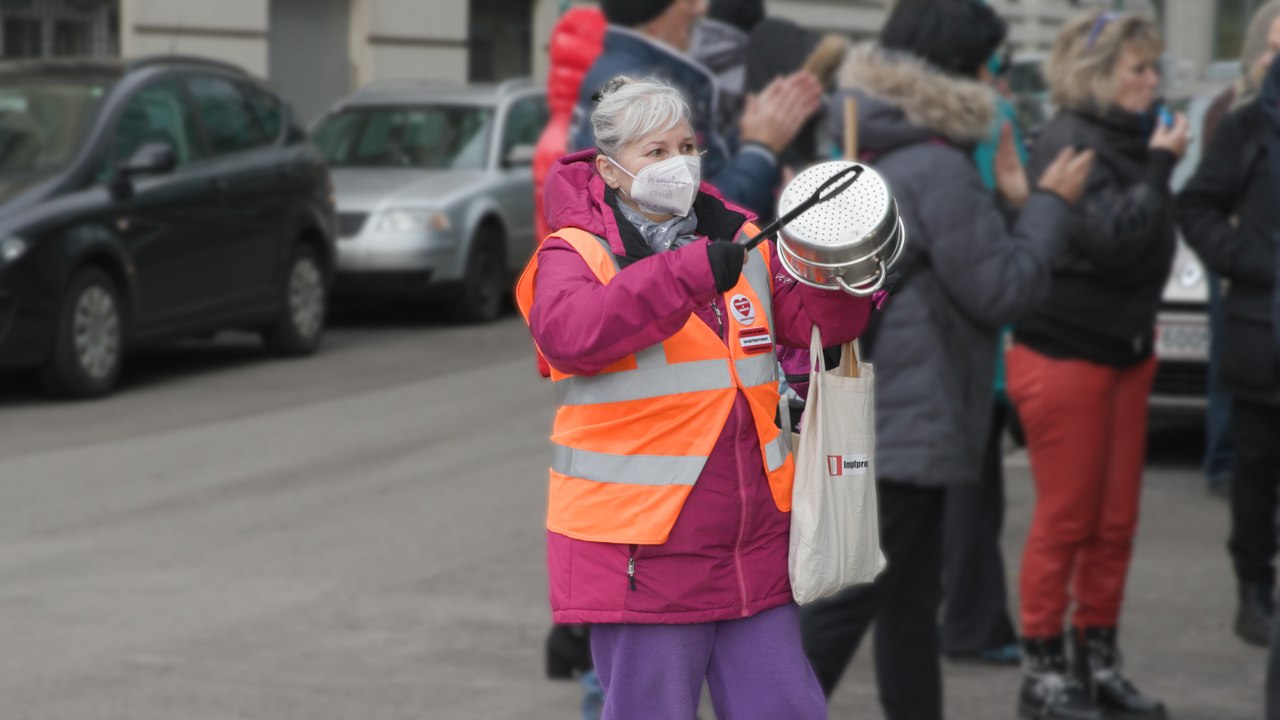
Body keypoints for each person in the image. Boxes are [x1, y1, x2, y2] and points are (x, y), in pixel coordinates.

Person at [516, 76, 874, 720]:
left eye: (686, 146)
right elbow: (568, 335)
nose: (677, 163)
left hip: (755, 545)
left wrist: (846, 267)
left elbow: (821, 326)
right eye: (655, 152)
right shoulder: (573, 253)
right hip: (641, 554)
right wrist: (685, 273)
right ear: (611, 169)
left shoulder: (741, 233)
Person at [798, 2, 1093, 719]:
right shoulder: (936, 167)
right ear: (961, 71)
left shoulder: (872, 141)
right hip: (905, 427)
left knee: (905, 614)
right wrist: (1048, 203)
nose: (1001, 85)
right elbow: (1002, 289)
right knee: (847, 614)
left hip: (875, 414)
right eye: (994, 67)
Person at [1007, 9, 1189, 719]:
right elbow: (1116, 238)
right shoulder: (1069, 138)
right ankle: (1043, 672)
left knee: (1115, 521)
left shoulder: (1129, 136)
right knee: (1067, 519)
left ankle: (1098, 660)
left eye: (1153, 67)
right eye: (1137, 68)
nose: (1152, 80)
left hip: (1125, 350)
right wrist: (1165, 164)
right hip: (1065, 350)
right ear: (1097, 74)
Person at [1175, 39, 1280, 652]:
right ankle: (1254, 591)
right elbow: (1197, 205)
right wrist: (1251, 259)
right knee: (1257, 473)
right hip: (1262, 338)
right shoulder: (1250, 128)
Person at [569, 0, 822, 218]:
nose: (701, 9)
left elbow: (700, 179)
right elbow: (689, 215)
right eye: (688, 1)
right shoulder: (639, 85)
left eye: (687, 147)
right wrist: (759, 150)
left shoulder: (646, 73)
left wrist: (751, 133)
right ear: (655, 17)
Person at [940, 47, 1028, 668]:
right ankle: (975, 620)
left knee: (945, 493)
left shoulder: (902, 116)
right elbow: (1010, 210)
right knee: (975, 492)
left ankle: (970, 614)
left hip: (919, 331)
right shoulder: (991, 115)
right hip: (979, 336)